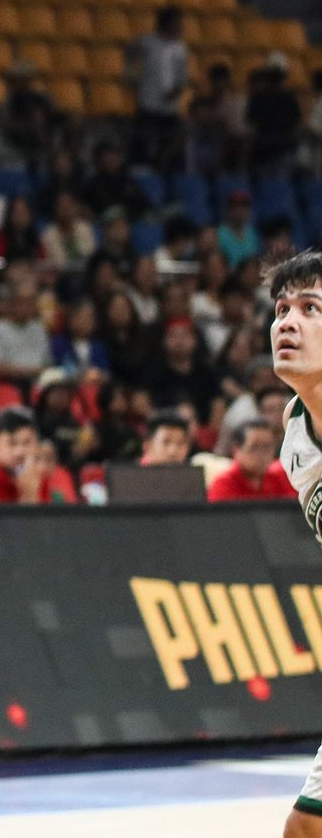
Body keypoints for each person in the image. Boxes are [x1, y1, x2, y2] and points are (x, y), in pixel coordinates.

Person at [259, 251, 322, 836]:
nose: (287, 322)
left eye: (310, 308)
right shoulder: (296, 435)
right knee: (305, 829)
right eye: (281, 309)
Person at [126, 6, 189, 170]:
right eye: (177, 23)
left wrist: (177, 90)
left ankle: (166, 171)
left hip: (170, 108)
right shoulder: (146, 42)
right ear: (167, 24)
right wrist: (134, 81)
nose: (180, 27)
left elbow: (182, 76)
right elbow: (132, 64)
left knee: (173, 144)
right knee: (142, 144)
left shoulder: (180, 47)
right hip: (148, 103)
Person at [0, 280, 52, 385]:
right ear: (12, 303)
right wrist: (34, 371)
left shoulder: (39, 328)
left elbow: (47, 364)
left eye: (32, 302)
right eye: (24, 302)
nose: (30, 306)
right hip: (8, 386)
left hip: (41, 386)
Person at [205, 420, 286, 502]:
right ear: (236, 450)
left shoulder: (278, 480)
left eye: (267, 447)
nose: (262, 454)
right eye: (255, 447)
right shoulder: (224, 485)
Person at [40, 190, 96, 274]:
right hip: (60, 277)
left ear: (75, 207)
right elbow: (55, 264)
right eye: (62, 207)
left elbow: (91, 254)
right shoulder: (48, 235)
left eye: (68, 206)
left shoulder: (84, 228)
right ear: (56, 209)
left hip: (86, 273)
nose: (65, 210)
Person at [217, 189, 259, 269]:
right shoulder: (220, 234)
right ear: (228, 210)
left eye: (244, 206)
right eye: (235, 206)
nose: (240, 211)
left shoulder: (252, 233)